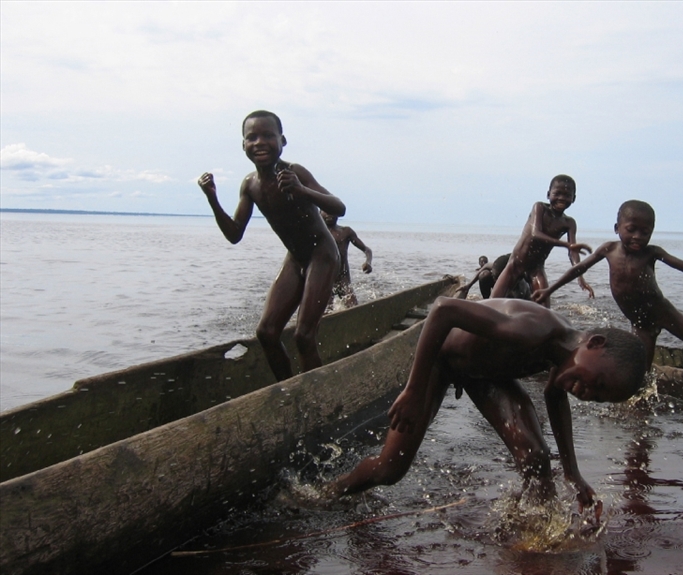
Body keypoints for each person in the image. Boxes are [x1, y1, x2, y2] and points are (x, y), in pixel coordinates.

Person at [324, 296, 647, 518]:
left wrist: (573, 473)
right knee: (390, 469)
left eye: (599, 398)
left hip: (485, 375)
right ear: (595, 343)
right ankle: (327, 493)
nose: (589, 394)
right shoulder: (533, 330)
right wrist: (413, 390)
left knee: (536, 459)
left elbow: (554, 398)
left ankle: (537, 532)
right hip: (441, 362)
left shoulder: (561, 360)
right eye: (598, 384)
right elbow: (443, 309)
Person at [198, 110, 345, 382]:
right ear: (243, 145)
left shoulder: (295, 172)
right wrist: (212, 199)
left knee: (303, 335)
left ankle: (318, 393)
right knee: (266, 333)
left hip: (321, 254)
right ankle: (288, 390)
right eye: (251, 137)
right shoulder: (250, 185)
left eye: (268, 135)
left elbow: (339, 207)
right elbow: (234, 234)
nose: (259, 142)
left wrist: (300, 189)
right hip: (295, 258)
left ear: (282, 140)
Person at [532, 200, 683, 371]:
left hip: (663, 312)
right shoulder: (609, 249)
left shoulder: (651, 252)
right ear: (617, 228)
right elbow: (578, 268)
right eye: (631, 229)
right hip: (640, 323)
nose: (638, 236)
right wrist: (550, 289)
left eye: (645, 232)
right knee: (640, 373)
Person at [490, 175, 594, 306]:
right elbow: (535, 233)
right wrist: (567, 245)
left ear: (573, 198)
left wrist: (580, 276)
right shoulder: (539, 208)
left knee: (544, 309)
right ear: (548, 194)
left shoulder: (569, 223)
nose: (561, 198)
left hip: (536, 268)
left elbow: (573, 252)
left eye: (567, 195)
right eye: (557, 194)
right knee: (493, 303)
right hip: (516, 263)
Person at [322, 211, 373, 308]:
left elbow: (367, 250)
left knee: (354, 309)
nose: (329, 214)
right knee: (325, 313)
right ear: (320, 213)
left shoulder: (345, 232)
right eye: (325, 211)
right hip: (325, 281)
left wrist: (368, 262)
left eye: (332, 211)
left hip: (343, 279)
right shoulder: (317, 233)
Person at [455, 254, 531, 300]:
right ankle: (486, 299)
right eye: (493, 276)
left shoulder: (521, 287)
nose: (494, 279)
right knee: (484, 274)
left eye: (497, 277)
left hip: (517, 295)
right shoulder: (499, 265)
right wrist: (469, 285)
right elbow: (485, 266)